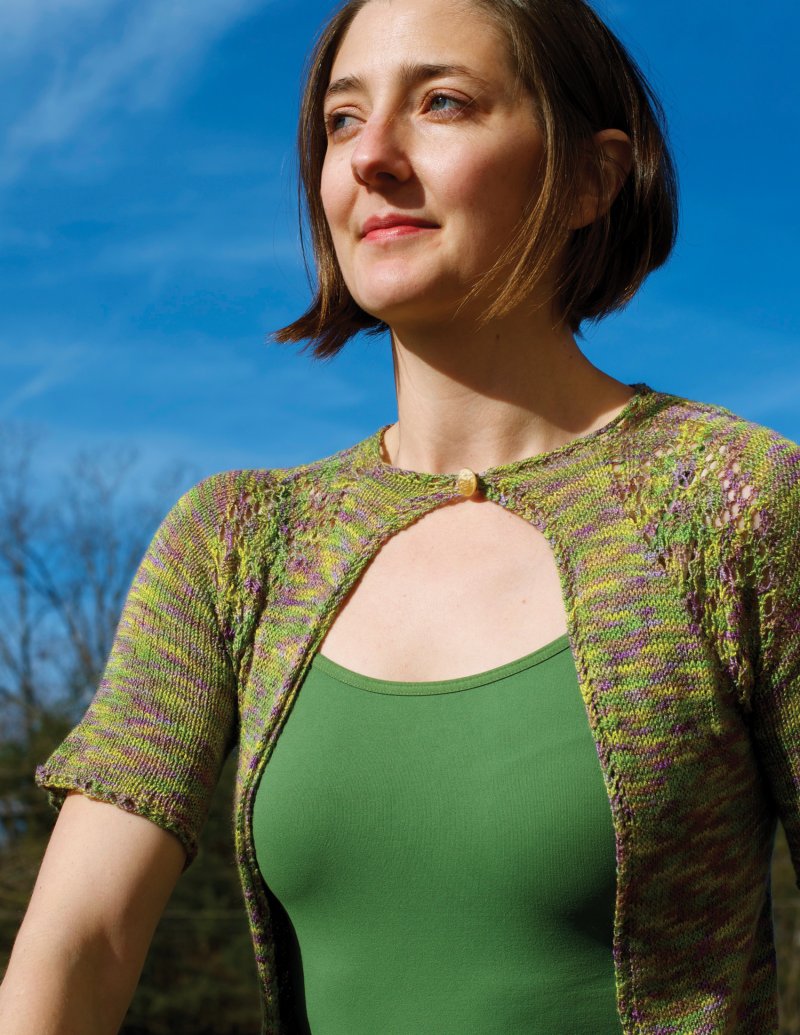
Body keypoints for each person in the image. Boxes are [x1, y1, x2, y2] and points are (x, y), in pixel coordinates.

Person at [1, 0, 798, 1032]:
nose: (370, 156)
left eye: (442, 103)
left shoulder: (735, 504)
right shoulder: (236, 543)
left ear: (591, 179)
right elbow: (79, 950)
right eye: (341, 120)